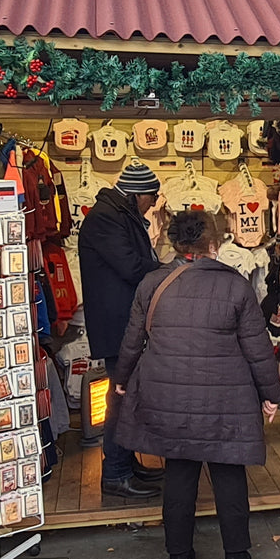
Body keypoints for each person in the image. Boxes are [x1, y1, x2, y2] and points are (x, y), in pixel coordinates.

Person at [113, 211, 280, 559]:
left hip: (170, 398)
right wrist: (271, 394)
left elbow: (132, 340)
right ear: (213, 244)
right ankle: (236, 558)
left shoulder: (152, 284)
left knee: (179, 473)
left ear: (175, 243)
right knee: (228, 473)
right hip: (228, 400)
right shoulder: (235, 286)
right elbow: (258, 348)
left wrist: (121, 379)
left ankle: (178, 557)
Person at [77, 159, 167, 499]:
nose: (155, 203)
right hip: (117, 325)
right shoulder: (105, 219)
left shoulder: (116, 214)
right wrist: (164, 271)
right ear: (136, 194)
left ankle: (126, 464)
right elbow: (131, 267)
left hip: (122, 321)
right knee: (119, 398)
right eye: (153, 196)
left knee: (126, 396)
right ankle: (115, 473)